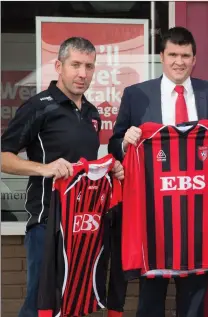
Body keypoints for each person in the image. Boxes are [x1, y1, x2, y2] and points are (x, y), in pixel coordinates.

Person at [108, 26, 208, 317]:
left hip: (199, 216)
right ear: (162, 56)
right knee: (150, 302)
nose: (180, 61)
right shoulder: (137, 94)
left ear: (194, 58)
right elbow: (115, 145)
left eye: (186, 55)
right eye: (173, 55)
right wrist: (125, 142)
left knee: (193, 304)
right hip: (154, 217)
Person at [1, 37, 124, 317]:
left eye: (89, 67)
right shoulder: (38, 106)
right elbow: (3, 157)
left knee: (74, 303)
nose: (82, 73)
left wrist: (112, 168)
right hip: (46, 224)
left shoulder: (93, 113)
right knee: (39, 304)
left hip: (82, 225)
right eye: (76, 65)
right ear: (59, 66)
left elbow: (86, 167)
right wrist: (44, 168)